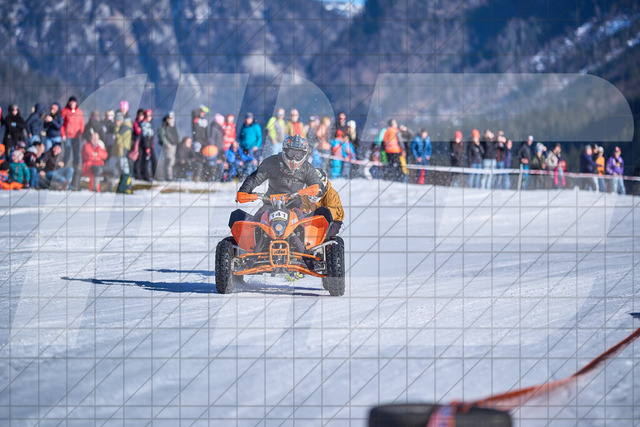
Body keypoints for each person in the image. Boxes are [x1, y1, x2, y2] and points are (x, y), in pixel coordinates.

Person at [235, 134, 325, 225]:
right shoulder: (271, 163)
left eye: (298, 154)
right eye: (291, 153)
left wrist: (317, 190)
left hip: (295, 206)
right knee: (255, 224)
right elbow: (254, 178)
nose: (294, 158)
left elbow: (318, 184)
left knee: (303, 226)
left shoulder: (307, 168)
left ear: (304, 154)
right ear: (285, 151)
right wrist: (244, 190)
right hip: (270, 204)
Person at [301, 169, 344, 238]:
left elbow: (331, 214)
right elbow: (302, 206)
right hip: (310, 219)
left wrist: (314, 213)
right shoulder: (304, 193)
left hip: (332, 221)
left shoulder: (331, 194)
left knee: (323, 237)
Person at [61, 96, 85, 189]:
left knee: (77, 156)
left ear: (76, 103)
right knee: (67, 155)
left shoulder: (79, 112)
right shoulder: (65, 111)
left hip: (77, 137)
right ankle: (64, 175)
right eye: (70, 102)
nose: (72, 104)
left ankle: (75, 177)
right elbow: (62, 124)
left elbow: (82, 124)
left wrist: (82, 135)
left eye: (73, 102)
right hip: (68, 136)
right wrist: (62, 134)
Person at [112, 111, 133, 193]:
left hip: (122, 151)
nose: (116, 122)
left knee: (125, 169)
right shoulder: (127, 125)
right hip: (123, 150)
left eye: (117, 120)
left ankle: (124, 188)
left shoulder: (124, 127)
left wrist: (117, 127)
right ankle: (126, 187)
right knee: (125, 169)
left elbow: (118, 138)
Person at [157, 111, 180, 181]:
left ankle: (171, 176)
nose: (171, 119)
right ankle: (168, 177)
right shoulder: (163, 126)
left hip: (174, 145)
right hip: (168, 146)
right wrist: (167, 143)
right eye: (170, 118)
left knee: (172, 162)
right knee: (169, 161)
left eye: (172, 118)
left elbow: (176, 135)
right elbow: (162, 136)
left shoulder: (173, 126)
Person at [136, 109, 156, 182]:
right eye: (148, 116)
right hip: (146, 146)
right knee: (145, 161)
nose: (149, 117)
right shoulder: (144, 124)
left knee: (153, 161)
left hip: (150, 146)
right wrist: (147, 147)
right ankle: (145, 176)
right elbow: (145, 137)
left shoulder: (149, 124)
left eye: (150, 116)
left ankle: (154, 176)